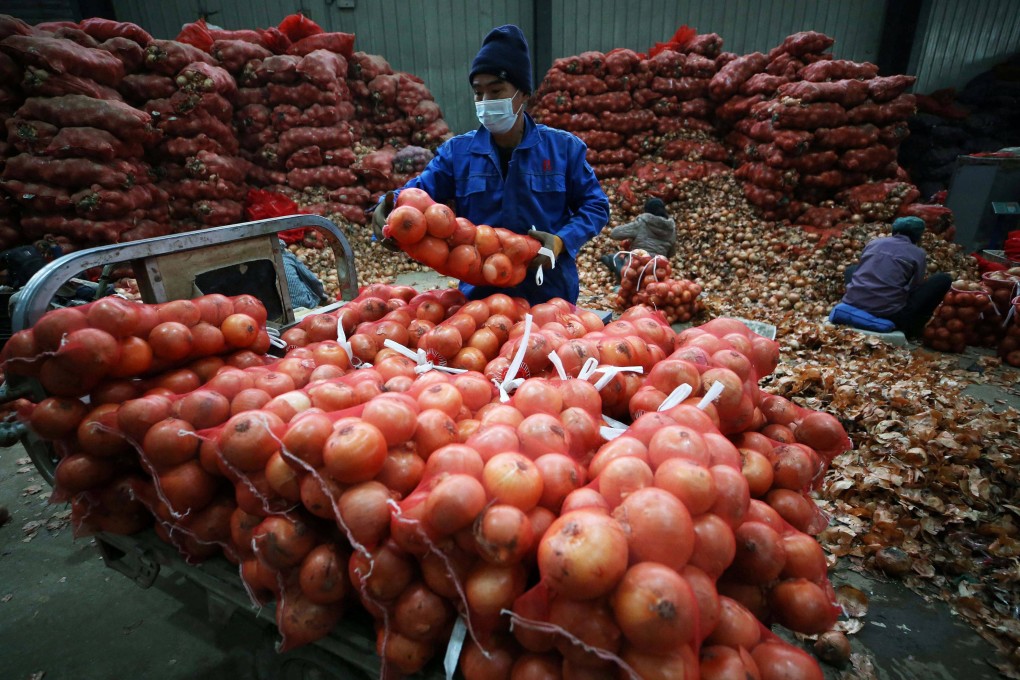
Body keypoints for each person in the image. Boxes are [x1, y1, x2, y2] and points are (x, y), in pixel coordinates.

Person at [372, 24, 610, 305]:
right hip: (480, 297)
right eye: (478, 93)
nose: (485, 102)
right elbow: (419, 193)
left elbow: (595, 206)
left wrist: (560, 242)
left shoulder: (563, 149)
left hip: (548, 293)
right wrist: (390, 204)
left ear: (523, 93)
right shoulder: (457, 153)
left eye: (496, 91)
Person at [832, 216, 951, 338]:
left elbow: (863, 268)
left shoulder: (874, 243)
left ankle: (856, 299)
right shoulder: (918, 253)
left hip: (853, 303)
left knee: (851, 269)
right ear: (917, 237)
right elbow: (915, 285)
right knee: (943, 280)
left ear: (894, 231)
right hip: (888, 313)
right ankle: (913, 328)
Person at [600, 197, 676, 279]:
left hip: (636, 266)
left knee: (612, 258)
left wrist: (632, 233)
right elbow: (671, 253)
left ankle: (623, 274)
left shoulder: (642, 223)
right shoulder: (671, 229)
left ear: (647, 210)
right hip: (656, 270)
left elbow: (614, 233)